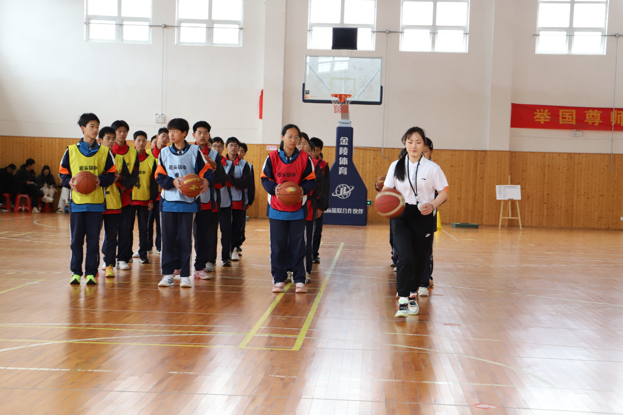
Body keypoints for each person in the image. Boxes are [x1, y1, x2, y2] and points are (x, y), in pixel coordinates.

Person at [383, 127, 448, 317]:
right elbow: (387, 189)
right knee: (404, 256)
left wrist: (433, 204)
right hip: (401, 214)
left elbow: (443, 192)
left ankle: (412, 295)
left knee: (420, 259)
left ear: (423, 145)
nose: (414, 145)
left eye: (418, 142)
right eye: (410, 141)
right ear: (405, 143)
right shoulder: (396, 166)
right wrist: (385, 202)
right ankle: (403, 299)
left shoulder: (433, 168)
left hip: (423, 214)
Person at [155, 118, 214, 288]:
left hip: (188, 202)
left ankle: (185, 275)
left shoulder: (195, 151)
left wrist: (206, 182)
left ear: (184, 133)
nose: (170, 134)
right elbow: (159, 176)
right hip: (168, 202)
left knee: (185, 240)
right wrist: (173, 182)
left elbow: (207, 171)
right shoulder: (164, 152)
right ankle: (168, 274)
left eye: (174, 131)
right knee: (167, 240)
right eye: (169, 131)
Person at [59, 113, 116, 285]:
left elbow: (112, 174)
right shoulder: (71, 150)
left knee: (93, 241)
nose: (96, 129)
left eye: (97, 126)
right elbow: (62, 173)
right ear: (83, 128)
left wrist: (100, 180)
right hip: (77, 203)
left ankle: (91, 273)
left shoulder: (105, 152)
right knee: (76, 241)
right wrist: (69, 181)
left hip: (96, 204)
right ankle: (76, 272)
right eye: (92, 126)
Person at [261, 124, 316, 294]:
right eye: (290, 136)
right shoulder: (272, 158)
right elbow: (265, 179)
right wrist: (275, 189)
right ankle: (278, 278)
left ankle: (299, 279)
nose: (293, 140)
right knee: (277, 246)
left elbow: (311, 180)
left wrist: (302, 190)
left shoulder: (305, 158)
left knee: (298, 246)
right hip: (276, 209)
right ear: (282, 137)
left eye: (296, 137)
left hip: (297, 209)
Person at [192, 121, 225, 278]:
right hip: (188, 200)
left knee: (206, 234)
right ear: (193, 135)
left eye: (205, 132)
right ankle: (180, 265)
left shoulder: (215, 156)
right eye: (199, 132)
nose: (202, 135)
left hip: (207, 200)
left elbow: (222, 181)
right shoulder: (188, 152)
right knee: (188, 234)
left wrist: (213, 171)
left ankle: (205, 263)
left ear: (209, 135)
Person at [99, 127, 133, 278]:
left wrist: (119, 178)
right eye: (108, 138)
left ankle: (109, 264)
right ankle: (94, 266)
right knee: (93, 237)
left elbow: (128, 179)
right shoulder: (93, 157)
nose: (111, 141)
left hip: (113, 202)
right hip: (95, 202)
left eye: (113, 139)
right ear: (100, 140)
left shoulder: (119, 159)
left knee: (112, 236)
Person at [111, 120, 139, 270]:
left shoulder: (133, 152)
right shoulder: (106, 151)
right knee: (109, 231)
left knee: (125, 229)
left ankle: (122, 258)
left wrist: (123, 186)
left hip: (125, 196)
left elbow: (134, 176)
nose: (122, 134)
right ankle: (108, 259)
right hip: (109, 197)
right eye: (119, 131)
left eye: (125, 131)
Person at [297, 133, 323, 282]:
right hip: (289, 209)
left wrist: (302, 191)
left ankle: (306, 271)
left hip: (307, 207)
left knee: (306, 242)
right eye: (298, 142)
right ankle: (289, 270)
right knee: (290, 241)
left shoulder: (314, 164)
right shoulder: (285, 162)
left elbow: (318, 187)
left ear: (309, 146)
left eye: (304, 143)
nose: (301, 145)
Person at [131, 131, 159, 264]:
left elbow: (154, 182)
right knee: (127, 228)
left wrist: (152, 199)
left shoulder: (151, 160)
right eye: (139, 140)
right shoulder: (129, 157)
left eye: (144, 140)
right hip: (129, 200)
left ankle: (143, 253)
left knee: (144, 229)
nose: (141, 143)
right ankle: (126, 254)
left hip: (144, 200)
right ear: (134, 142)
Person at [224, 137, 253, 262]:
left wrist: (232, 181)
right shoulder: (221, 163)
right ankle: (225, 251)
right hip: (223, 200)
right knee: (225, 228)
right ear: (226, 147)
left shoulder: (244, 164)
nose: (233, 148)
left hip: (238, 200)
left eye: (236, 146)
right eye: (231, 145)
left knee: (237, 226)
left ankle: (235, 248)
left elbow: (247, 182)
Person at [146, 128, 169, 254]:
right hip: (149, 194)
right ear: (157, 136)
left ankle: (160, 247)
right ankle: (147, 247)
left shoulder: (169, 153)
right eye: (163, 136)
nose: (165, 139)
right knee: (148, 222)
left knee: (161, 223)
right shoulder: (147, 154)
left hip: (164, 195)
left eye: (167, 137)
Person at [309, 137, 329, 264]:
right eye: (312, 150)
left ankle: (314, 253)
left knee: (317, 230)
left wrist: (321, 206)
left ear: (320, 151)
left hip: (317, 203)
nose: (313, 153)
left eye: (316, 150)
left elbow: (325, 187)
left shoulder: (323, 165)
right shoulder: (304, 163)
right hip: (305, 202)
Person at [236, 142, 255, 254]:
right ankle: (231, 246)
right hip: (229, 200)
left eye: (242, 151)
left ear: (245, 153)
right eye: (238, 150)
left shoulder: (248, 166)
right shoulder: (226, 164)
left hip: (243, 200)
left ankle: (238, 244)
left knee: (241, 224)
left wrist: (250, 200)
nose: (239, 153)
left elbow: (251, 185)